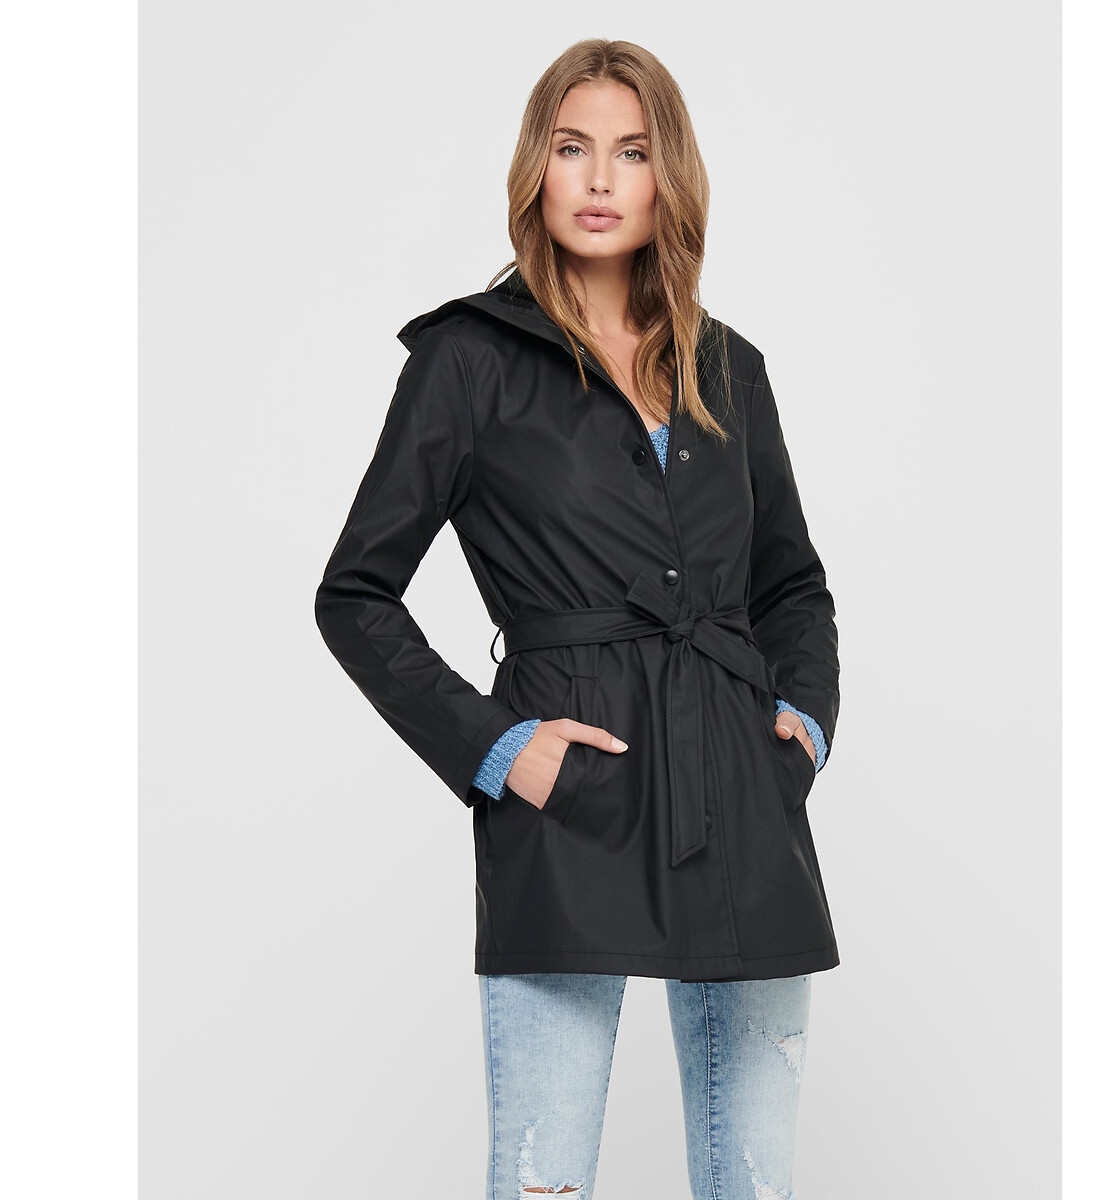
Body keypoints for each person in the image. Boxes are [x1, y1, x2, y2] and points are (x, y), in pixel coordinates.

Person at [315, 38, 840, 1200]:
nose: (600, 179)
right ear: (536, 170)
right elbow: (354, 593)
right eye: (572, 148)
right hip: (573, 805)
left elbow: (791, 583)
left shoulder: (730, 368)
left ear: (668, 179)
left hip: (741, 801)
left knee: (755, 1184)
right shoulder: (469, 360)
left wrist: (800, 727)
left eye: (632, 152)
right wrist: (501, 749)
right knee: (542, 1183)